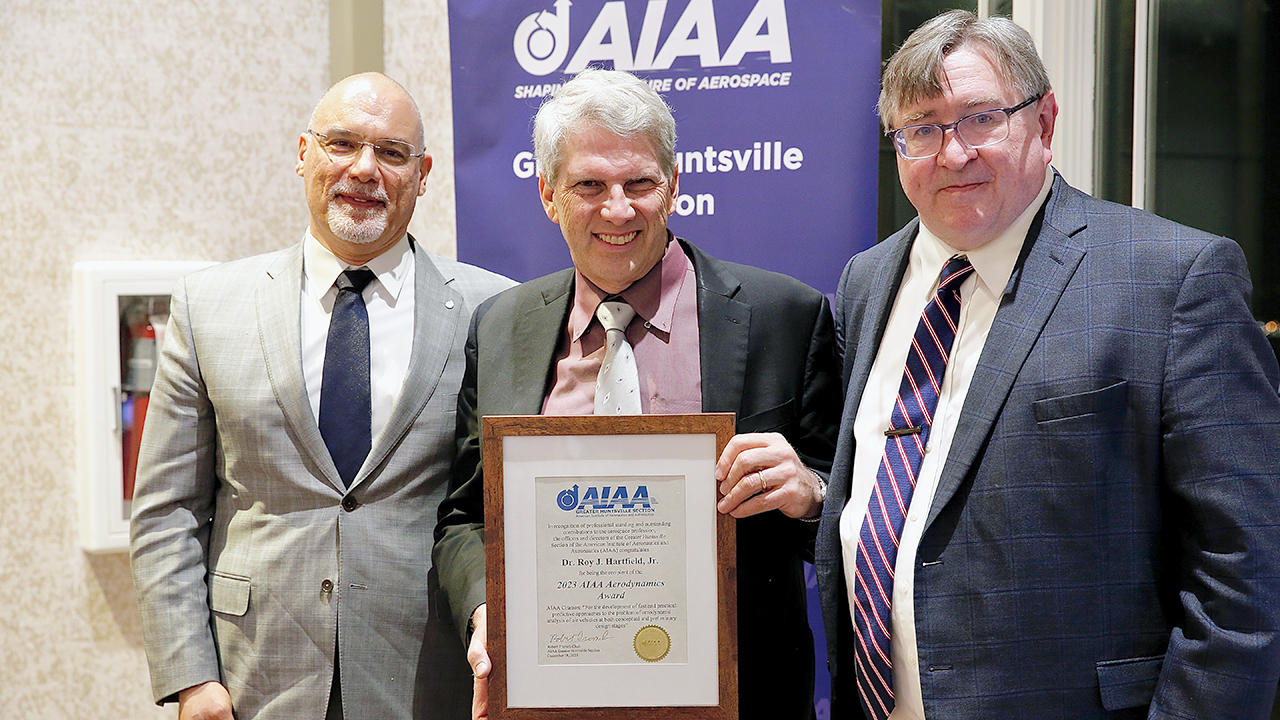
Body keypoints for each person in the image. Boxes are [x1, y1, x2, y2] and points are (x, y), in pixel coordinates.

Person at [815, 9, 1280, 720]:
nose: (953, 153)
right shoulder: (865, 283)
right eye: (922, 129)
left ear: (1045, 119)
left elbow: (1243, 571)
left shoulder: (1172, 278)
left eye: (979, 118)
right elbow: (892, 503)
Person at [433, 67, 841, 720]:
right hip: (553, 695)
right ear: (548, 194)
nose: (617, 209)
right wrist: (488, 610)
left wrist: (811, 496)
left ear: (673, 186)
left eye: (640, 183)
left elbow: (851, 507)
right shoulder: (503, 327)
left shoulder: (783, 317)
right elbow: (465, 517)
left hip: (740, 696)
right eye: (588, 185)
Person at [129, 72, 514, 720]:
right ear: (303, 153)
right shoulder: (208, 307)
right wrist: (191, 676)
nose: (364, 169)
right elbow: (167, 511)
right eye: (342, 144)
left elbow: (499, 510)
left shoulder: (492, 309)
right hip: (254, 678)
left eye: (391, 153)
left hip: (428, 682)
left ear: (421, 175)